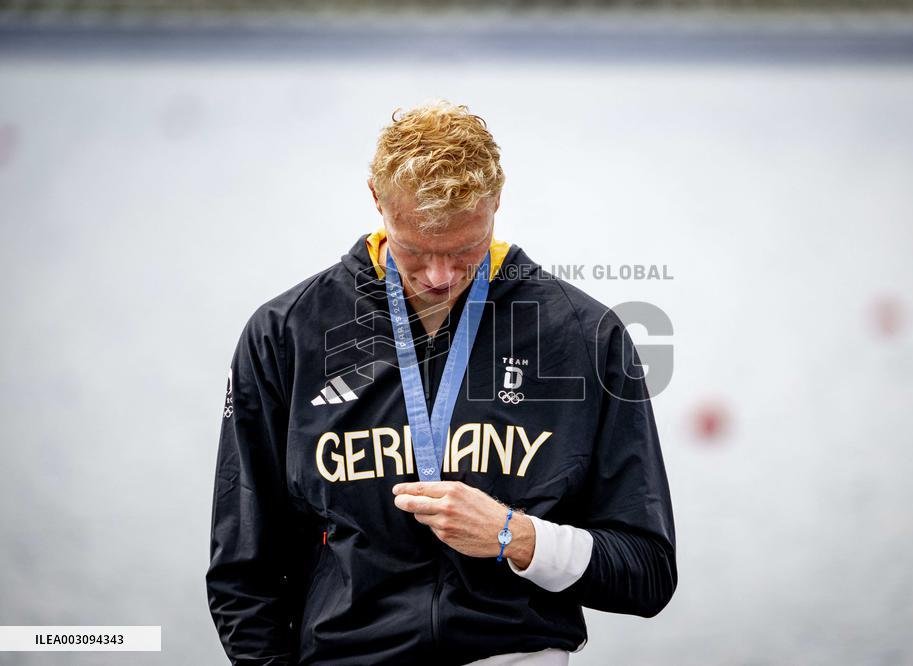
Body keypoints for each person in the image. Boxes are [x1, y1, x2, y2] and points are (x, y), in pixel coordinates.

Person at [206, 100, 677, 665]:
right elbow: (242, 570)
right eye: (415, 251)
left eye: (464, 251)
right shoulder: (286, 333)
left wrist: (516, 537)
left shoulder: (583, 334)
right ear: (376, 201)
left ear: (496, 201)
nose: (440, 278)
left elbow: (648, 573)